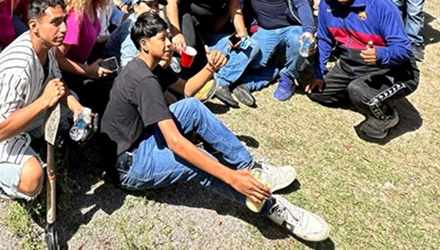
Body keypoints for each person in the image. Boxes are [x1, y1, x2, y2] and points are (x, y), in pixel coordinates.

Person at [103, 13, 331, 243]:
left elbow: (187, 90)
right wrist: (231, 177)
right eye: (163, 38)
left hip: (141, 138)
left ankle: (250, 167)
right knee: (198, 162)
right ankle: (269, 206)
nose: (170, 43)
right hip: (129, 165)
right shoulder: (144, 80)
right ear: (144, 44)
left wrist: (211, 68)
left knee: (191, 107)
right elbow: (174, 142)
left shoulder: (148, 67)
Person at [0, 0, 91, 200]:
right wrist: (43, 102)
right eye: (56, 23)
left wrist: (78, 108)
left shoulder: (45, 45)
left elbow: (57, 85)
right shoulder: (17, 68)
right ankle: (2, 181)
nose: (64, 29)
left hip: (21, 113)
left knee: (72, 100)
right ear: (34, 25)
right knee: (32, 179)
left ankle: (33, 138)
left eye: (64, 21)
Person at [307, 0, 419, 140]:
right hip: (350, 63)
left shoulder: (381, 6)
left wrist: (380, 55)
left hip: (393, 68)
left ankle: (386, 116)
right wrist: (319, 72)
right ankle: (362, 97)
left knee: (359, 91)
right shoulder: (327, 2)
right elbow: (325, 39)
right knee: (317, 94)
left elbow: (404, 50)